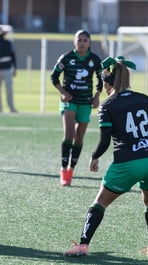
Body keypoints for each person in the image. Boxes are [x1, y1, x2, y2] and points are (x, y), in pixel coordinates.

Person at [63, 56, 148, 257]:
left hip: (128, 162)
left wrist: (94, 156)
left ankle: (83, 245)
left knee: (100, 202)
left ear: (106, 82)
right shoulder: (144, 98)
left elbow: (105, 140)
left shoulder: (108, 105)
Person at [50, 29, 103, 186]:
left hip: (86, 102)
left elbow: (102, 78)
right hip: (69, 101)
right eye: (79, 40)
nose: (82, 43)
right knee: (69, 134)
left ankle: (71, 168)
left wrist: (97, 96)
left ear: (90, 43)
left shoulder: (94, 59)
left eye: (85, 40)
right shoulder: (66, 58)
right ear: (74, 42)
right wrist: (63, 92)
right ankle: (63, 170)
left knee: (79, 138)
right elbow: (54, 76)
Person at [0, 26, 18, 113]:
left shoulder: (8, 43)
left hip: (7, 69)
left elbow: (13, 56)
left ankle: (11, 107)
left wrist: (15, 68)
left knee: (9, 88)